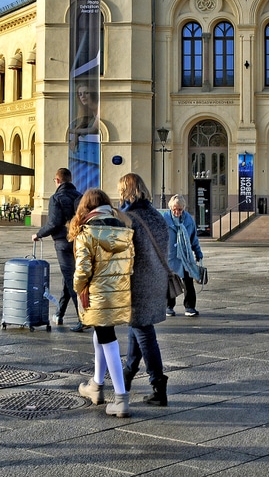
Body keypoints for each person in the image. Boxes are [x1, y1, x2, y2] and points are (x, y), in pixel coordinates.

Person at [69, 188, 135, 417]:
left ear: (86, 207)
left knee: (108, 339)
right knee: (102, 334)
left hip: (96, 293)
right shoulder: (123, 228)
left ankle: (121, 398)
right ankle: (96, 386)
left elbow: (82, 270)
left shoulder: (88, 231)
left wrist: (77, 288)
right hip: (119, 292)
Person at [118, 173, 171, 407]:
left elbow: (123, 253)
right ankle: (126, 376)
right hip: (156, 279)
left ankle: (158, 385)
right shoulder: (157, 216)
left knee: (144, 331)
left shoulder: (129, 218)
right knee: (137, 326)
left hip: (138, 281)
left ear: (126, 191)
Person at [33, 167, 84, 331]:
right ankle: (59, 314)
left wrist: (39, 234)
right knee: (68, 278)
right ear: (70, 179)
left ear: (57, 181)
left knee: (71, 279)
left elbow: (54, 223)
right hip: (78, 241)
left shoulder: (56, 198)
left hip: (62, 243)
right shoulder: (80, 196)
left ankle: (83, 318)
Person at [164, 194, 204, 318]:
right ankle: (169, 306)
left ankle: (190, 306)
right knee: (169, 282)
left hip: (185, 256)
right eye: (174, 209)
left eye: (180, 209)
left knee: (188, 281)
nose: (177, 212)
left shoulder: (188, 220)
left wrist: (198, 253)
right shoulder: (164, 218)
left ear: (184, 208)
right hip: (170, 255)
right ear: (171, 208)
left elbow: (193, 239)